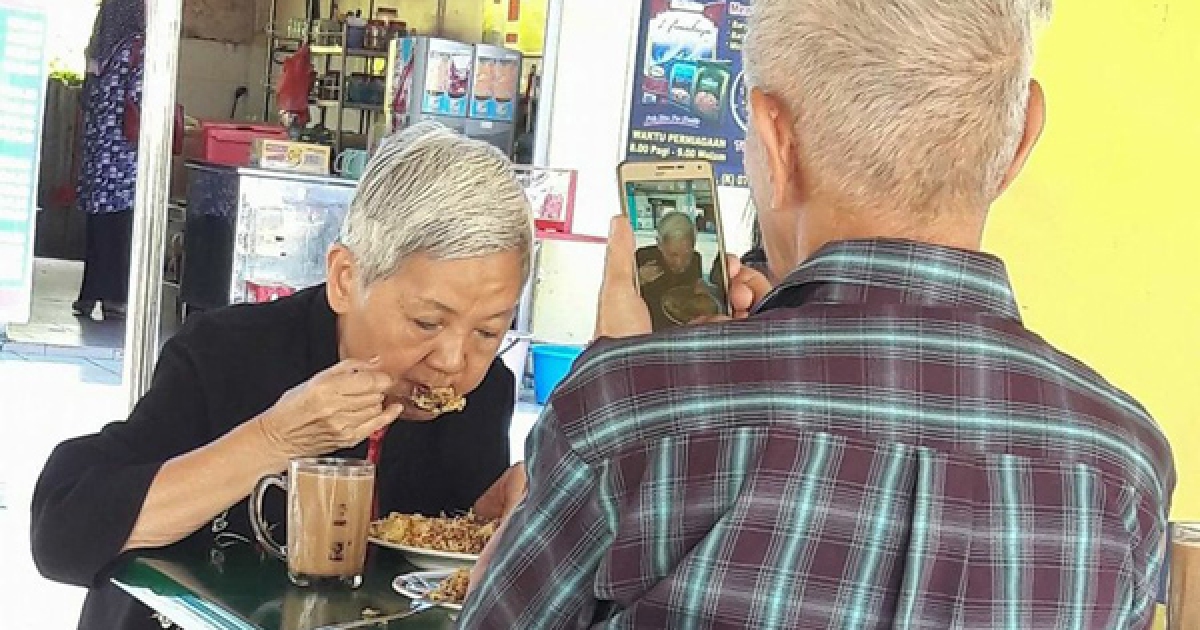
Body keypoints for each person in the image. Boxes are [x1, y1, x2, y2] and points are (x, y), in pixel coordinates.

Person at [460, 1, 1175, 628]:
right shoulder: (1126, 466)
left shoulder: (629, 409)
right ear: (1021, 139)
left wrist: (625, 370)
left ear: (775, 141)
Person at [31, 122, 532, 630]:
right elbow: (61, 534)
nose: (453, 360)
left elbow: (432, 588)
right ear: (345, 279)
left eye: (488, 331)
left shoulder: (483, 394)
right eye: (427, 322)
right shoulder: (228, 352)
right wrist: (273, 440)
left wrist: (483, 520)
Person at [72, 0, 146, 320]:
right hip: (124, 155)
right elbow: (141, 96)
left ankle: (89, 294)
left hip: (97, 151)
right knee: (120, 225)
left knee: (97, 224)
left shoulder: (98, 51)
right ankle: (115, 298)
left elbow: (86, 97)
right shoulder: (138, 48)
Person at [634, 211, 707, 329]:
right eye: (673, 255)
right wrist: (638, 279)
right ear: (659, 244)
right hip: (648, 328)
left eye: (687, 255)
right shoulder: (643, 257)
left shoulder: (696, 259)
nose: (680, 263)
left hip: (683, 330)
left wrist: (703, 294)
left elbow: (696, 304)